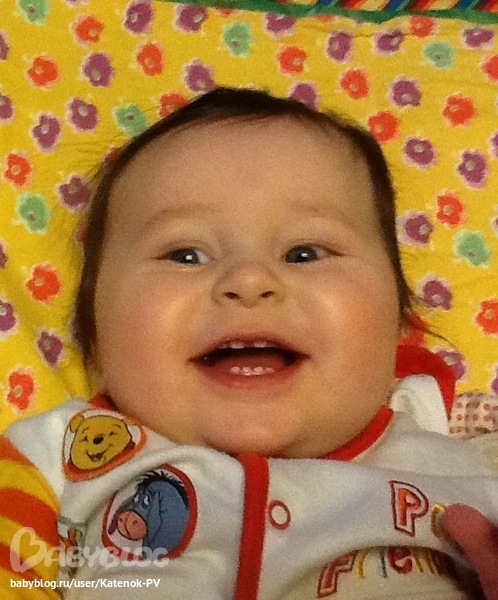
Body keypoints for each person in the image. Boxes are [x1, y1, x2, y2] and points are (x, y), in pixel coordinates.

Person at [1, 87, 497, 599]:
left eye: (305, 253)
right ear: (96, 335)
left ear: (399, 321)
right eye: (185, 255)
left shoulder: (463, 444)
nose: (249, 279)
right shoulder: (59, 456)